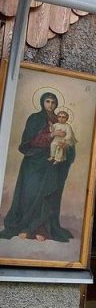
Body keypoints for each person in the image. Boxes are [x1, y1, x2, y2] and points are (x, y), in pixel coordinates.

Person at [0, 91, 76, 242]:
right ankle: (25, 227)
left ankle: (42, 228)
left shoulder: (59, 119)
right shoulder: (34, 118)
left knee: (47, 195)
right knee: (31, 193)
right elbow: (28, 141)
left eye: (53, 102)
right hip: (34, 162)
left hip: (52, 163)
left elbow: (70, 139)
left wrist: (66, 145)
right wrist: (50, 136)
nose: (51, 105)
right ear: (42, 102)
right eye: (48, 101)